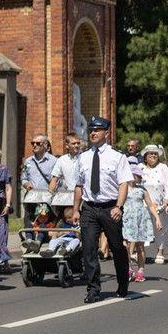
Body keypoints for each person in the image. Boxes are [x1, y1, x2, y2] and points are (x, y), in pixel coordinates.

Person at [72, 116, 132, 303]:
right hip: (89, 208)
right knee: (89, 249)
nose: (93, 133)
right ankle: (93, 290)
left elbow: (123, 184)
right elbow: (79, 186)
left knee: (116, 247)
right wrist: (75, 209)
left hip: (110, 207)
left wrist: (118, 206)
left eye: (97, 130)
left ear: (106, 133)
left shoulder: (117, 157)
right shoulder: (83, 157)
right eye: (91, 130)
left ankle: (123, 283)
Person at [122, 157, 162, 282]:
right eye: (137, 176)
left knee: (140, 246)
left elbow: (150, 205)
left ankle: (140, 270)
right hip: (127, 219)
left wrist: (157, 218)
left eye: (139, 176)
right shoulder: (123, 189)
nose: (139, 178)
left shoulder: (142, 190)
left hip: (140, 220)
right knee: (126, 245)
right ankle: (128, 268)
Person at [140, 144, 168, 264]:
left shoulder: (163, 167)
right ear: (145, 157)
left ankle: (160, 251)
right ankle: (140, 253)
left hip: (160, 203)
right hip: (144, 204)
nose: (153, 155)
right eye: (150, 154)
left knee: (161, 228)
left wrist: (167, 199)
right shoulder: (141, 168)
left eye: (155, 154)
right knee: (143, 229)